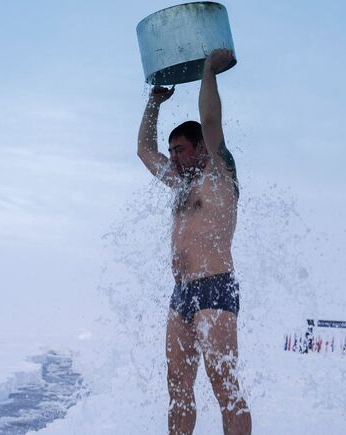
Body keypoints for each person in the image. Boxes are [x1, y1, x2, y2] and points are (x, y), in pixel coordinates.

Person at [136, 49, 252, 435]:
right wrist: (153, 103)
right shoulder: (181, 185)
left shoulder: (220, 172)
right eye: (172, 151)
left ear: (201, 148)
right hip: (181, 294)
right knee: (179, 390)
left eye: (180, 149)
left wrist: (207, 72)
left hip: (216, 286)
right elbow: (143, 152)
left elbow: (210, 119)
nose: (173, 158)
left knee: (225, 389)